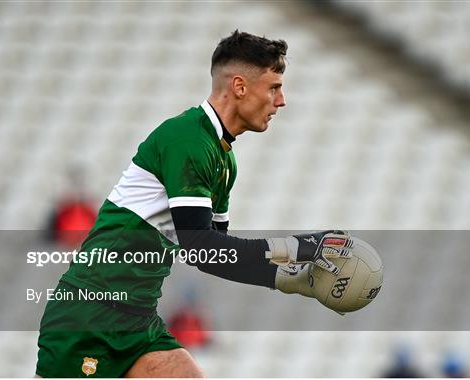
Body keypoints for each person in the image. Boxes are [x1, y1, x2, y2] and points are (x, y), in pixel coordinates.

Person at [35, 30, 351, 378]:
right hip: (90, 316)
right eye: (274, 87)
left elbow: (214, 258)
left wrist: (291, 278)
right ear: (240, 86)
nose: (281, 101)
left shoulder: (223, 159)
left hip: (136, 319)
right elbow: (199, 244)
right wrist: (297, 247)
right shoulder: (188, 139)